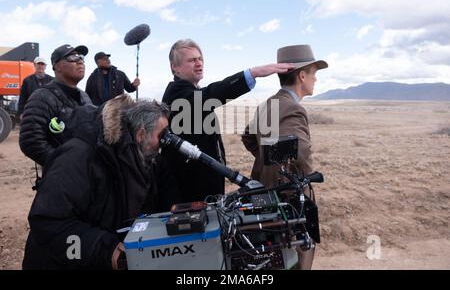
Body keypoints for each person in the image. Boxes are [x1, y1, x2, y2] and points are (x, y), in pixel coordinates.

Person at [22, 95, 170, 270]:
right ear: (141, 134)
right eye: (161, 136)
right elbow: (47, 222)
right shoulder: (78, 156)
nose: (162, 144)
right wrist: (108, 251)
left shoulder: (136, 157)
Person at [159, 38, 294, 209]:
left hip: (204, 186)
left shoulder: (192, 92)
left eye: (200, 59)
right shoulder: (177, 94)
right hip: (188, 192)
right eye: (192, 60)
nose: (199, 63)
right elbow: (212, 94)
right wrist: (252, 73)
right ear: (174, 67)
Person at [241, 44, 328, 270]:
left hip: (262, 192)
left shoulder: (267, 104)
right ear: (301, 75)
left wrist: (266, 162)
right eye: (313, 73)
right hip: (287, 198)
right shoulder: (294, 109)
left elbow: (248, 137)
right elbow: (301, 152)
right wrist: (306, 180)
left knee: (269, 257)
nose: (315, 79)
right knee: (297, 254)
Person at [19, 44, 93, 166]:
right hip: (63, 178)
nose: (80, 61)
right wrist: (65, 163)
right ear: (57, 66)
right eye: (73, 57)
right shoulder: (41, 97)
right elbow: (31, 142)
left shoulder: (85, 96)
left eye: (81, 57)